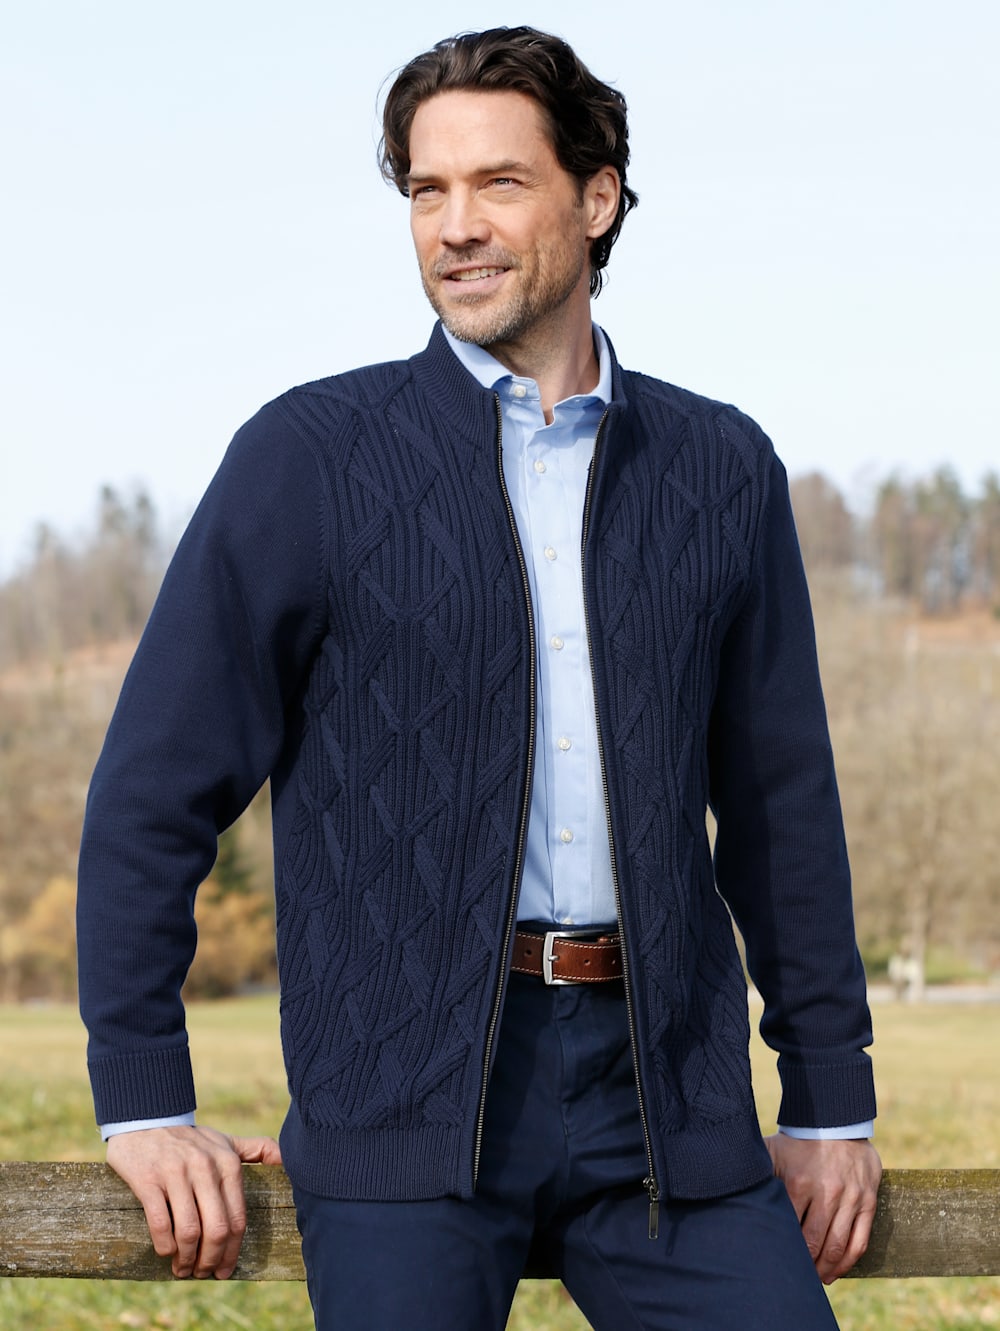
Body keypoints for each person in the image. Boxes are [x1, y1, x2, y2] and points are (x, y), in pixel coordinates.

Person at [77, 26, 880, 1330]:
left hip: (669, 1107)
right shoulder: (310, 458)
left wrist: (831, 1100)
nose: (455, 226)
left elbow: (782, 810)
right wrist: (144, 1097)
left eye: (499, 183)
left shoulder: (722, 469)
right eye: (426, 189)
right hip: (398, 1107)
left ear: (597, 197)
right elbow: (150, 793)